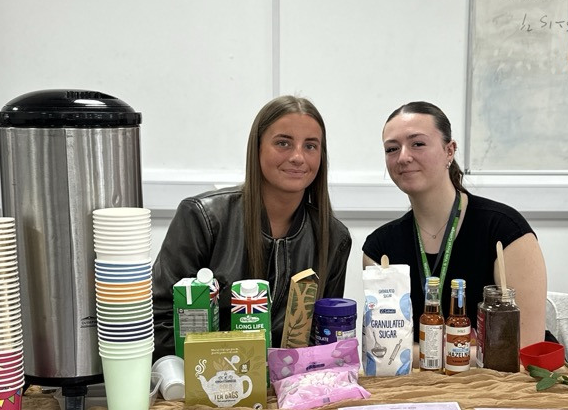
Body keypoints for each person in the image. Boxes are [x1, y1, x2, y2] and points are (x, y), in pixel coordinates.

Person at [153, 95, 351, 354]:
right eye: (283, 143)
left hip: (292, 387)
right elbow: (159, 321)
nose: (298, 157)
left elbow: (326, 336)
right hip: (209, 382)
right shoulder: (202, 217)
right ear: (256, 148)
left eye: (311, 146)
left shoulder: (334, 237)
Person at [362, 101, 547, 347]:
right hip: (421, 384)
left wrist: (423, 352)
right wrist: (466, 347)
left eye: (417, 144)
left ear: (449, 151)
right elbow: (383, 353)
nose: (404, 157)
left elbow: (526, 347)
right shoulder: (379, 249)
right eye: (392, 149)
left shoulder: (505, 231)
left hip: (502, 383)